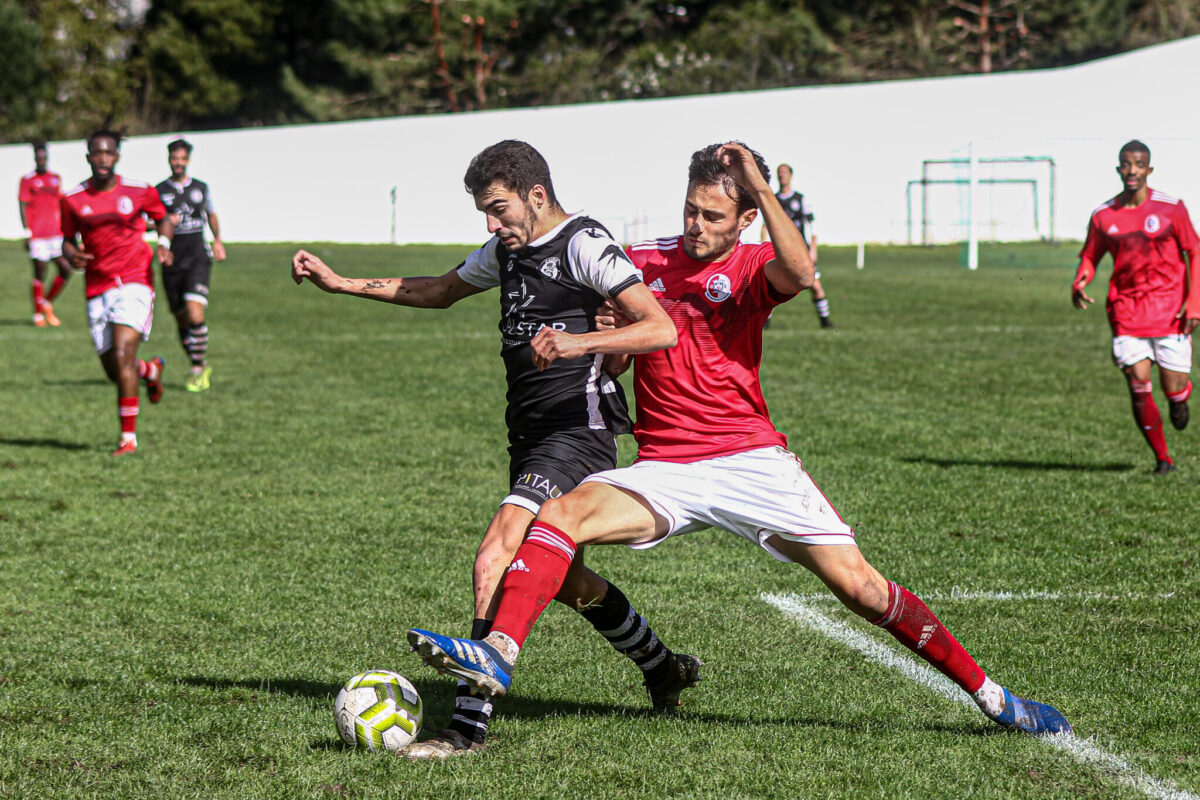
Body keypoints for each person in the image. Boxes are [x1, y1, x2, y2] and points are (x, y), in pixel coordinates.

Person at [408, 141, 1072, 738]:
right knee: (559, 515)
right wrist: (603, 343)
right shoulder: (641, 262)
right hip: (667, 465)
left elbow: (801, 269)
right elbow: (606, 338)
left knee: (863, 590)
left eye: (714, 216)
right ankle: (498, 654)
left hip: (752, 460)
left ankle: (993, 697)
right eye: (691, 211)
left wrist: (761, 185)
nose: (697, 227)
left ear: (745, 217)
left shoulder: (755, 265)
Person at [292, 140, 695, 759]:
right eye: (484, 211)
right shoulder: (505, 250)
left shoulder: (584, 242)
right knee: (564, 579)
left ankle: (465, 730)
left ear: (537, 196)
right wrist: (340, 282)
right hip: (529, 435)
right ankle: (661, 665)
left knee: (495, 556)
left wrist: (576, 344)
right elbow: (438, 290)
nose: (491, 223)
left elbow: (660, 327)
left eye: (499, 208)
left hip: (578, 433)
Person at [1072, 140, 1199, 476]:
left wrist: (1194, 303)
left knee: (1174, 389)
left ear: (1149, 170)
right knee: (1138, 387)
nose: (1132, 171)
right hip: (1126, 313)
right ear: (1118, 169)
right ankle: (1163, 460)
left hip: (1170, 314)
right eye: (1126, 165)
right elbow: (1090, 255)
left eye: (1139, 165)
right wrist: (1080, 279)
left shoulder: (1172, 209)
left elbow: (1195, 252)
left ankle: (1178, 400)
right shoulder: (1104, 215)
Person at [60, 129, 174, 456]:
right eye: (97, 153)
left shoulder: (139, 191)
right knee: (115, 370)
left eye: (109, 153)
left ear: (117, 156)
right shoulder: (72, 198)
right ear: (88, 157)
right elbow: (67, 239)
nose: (103, 159)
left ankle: (128, 439)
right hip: (97, 287)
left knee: (124, 355)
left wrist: (164, 245)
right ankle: (150, 370)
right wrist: (71, 255)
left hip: (135, 281)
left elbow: (164, 219)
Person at [156, 139, 226, 393]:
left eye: (182, 158)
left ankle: (197, 367)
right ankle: (199, 361)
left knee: (196, 313)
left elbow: (211, 214)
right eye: (174, 158)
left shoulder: (200, 188)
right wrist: (162, 224)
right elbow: (143, 223)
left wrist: (217, 239)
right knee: (181, 319)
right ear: (169, 160)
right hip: (171, 261)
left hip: (198, 256)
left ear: (188, 160)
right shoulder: (159, 191)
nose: (178, 163)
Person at [761, 162, 834, 329]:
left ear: (791, 176)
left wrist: (813, 249)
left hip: (801, 251)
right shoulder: (774, 200)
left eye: (785, 173)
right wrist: (764, 245)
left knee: (815, 286)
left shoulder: (800, 199)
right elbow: (765, 225)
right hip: (779, 252)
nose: (782, 176)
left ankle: (825, 321)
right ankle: (766, 322)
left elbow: (812, 225)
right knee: (771, 285)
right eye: (779, 173)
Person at [18, 141, 73, 327]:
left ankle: (47, 302)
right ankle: (37, 315)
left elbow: (62, 204)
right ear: (35, 158)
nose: (41, 160)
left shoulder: (55, 179)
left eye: (44, 157)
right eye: (38, 157)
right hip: (38, 235)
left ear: (46, 157)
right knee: (40, 272)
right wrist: (27, 232)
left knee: (65, 268)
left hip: (55, 234)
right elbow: (23, 205)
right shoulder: (27, 180)